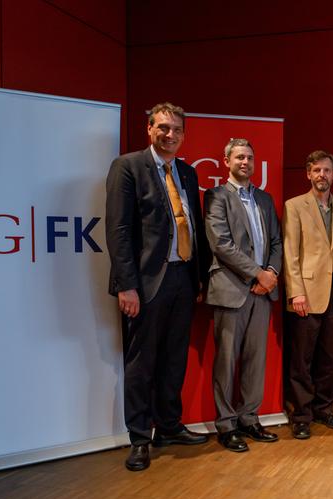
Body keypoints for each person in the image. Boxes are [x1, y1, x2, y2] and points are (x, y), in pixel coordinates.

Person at [105, 102, 210, 472]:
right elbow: (118, 231)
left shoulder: (186, 171)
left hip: (183, 278)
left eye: (176, 130)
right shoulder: (128, 167)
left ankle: (168, 426)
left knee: (173, 359)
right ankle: (139, 437)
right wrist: (126, 286)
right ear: (149, 129)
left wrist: (199, 277)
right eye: (163, 128)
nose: (170, 135)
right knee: (141, 363)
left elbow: (193, 223)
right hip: (147, 282)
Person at [204, 138, 283, 453]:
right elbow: (221, 243)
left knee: (255, 360)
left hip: (263, 292)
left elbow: (276, 241)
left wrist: (272, 275)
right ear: (226, 161)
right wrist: (257, 273)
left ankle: (250, 418)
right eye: (239, 157)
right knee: (226, 361)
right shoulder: (216, 196)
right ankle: (226, 424)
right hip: (231, 289)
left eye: (249, 157)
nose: (245, 162)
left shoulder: (264, 199)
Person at [283, 150, 333, 440]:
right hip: (307, 295)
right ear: (308, 174)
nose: (322, 175)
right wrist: (295, 292)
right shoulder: (294, 206)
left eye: (327, 170)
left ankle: (325, 409)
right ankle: (302, 414)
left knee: (328, 357)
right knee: (302, 358)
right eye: (316, 171)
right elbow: (290, 252)